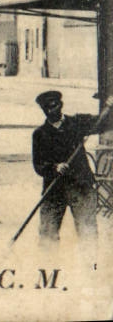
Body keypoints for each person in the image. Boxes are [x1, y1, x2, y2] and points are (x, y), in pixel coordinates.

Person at [31, 89, 101, 242]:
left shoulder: (77, 122)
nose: (51, 111)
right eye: (46, 108)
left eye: (54, 106)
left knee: (87, 232)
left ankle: (90, 264)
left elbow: (103, 123)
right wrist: (54, 167)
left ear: (61, 105)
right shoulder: (40, 134)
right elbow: (38, 165)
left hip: (81, 186)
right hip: (54, 188)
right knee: (47, 234)